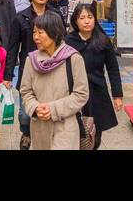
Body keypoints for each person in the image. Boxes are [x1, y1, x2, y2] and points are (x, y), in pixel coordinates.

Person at [5, 0, 64, 149]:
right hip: (28, 71)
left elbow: (62, 42)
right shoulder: (20, 18)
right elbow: (13, 48)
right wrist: (7, 75)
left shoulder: (55, 15)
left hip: (53, 68)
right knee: (25, 114)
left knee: (49, 108)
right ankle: (27, 132)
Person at [19, 12, 90, 150]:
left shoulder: (73, 59)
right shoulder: (31, 60)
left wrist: (53, 109)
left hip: (66, 126)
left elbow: (81, 94)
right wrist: (35, 107)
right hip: (39, 127)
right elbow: (25, 92)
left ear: (54, 33)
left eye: (40, 33)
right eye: (34, 33)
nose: (35, 37)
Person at [64, 2, 123, 150]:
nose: (86, 21)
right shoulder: (68, 41)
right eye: (82, 17)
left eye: (90, 17)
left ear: (95, 19)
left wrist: (117, 95)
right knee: (75, 128)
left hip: (97, 91)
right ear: (75, 21)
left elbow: (113, 69)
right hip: (74, 91)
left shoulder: (103, 41)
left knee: (96, 132)